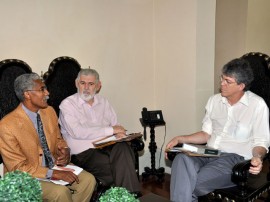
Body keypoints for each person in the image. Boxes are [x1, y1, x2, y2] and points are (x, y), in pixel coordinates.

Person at [165, 58, 270, 202]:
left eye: (228, 81)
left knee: (191, 183)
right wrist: (180, 138)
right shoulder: (214, 101)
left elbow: (261, 141)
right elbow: (206, 134)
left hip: (234, 158)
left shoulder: (257, 105)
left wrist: (258, 157)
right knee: (181, 159)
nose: (222, 83)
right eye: (222, 78)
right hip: (209, 151)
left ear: (241, 86)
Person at [0, 73, 96, 202]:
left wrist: (65, 149)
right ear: (27, 94)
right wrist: (52, 174)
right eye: (42, 89)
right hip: (25, 176)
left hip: (53, 166)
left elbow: (58, 139)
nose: (47, 93)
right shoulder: (7, 126)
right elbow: (18, 168)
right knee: (59, 193)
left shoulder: (49, 111)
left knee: (88, 180)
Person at [58, 68, 141, 195]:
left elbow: (115, 124)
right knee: (122, 169)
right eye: (82, 83)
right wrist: (111, 130)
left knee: (123, 147)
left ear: (98, 85)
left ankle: (126, 197)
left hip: (107, 147)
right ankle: (131, 196)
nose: (86, 88)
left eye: (91, 84)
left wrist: (121, 134)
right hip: (84, 154)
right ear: (76, 83)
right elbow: (77, 132)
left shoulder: (104, 102)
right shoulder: (67, 105)